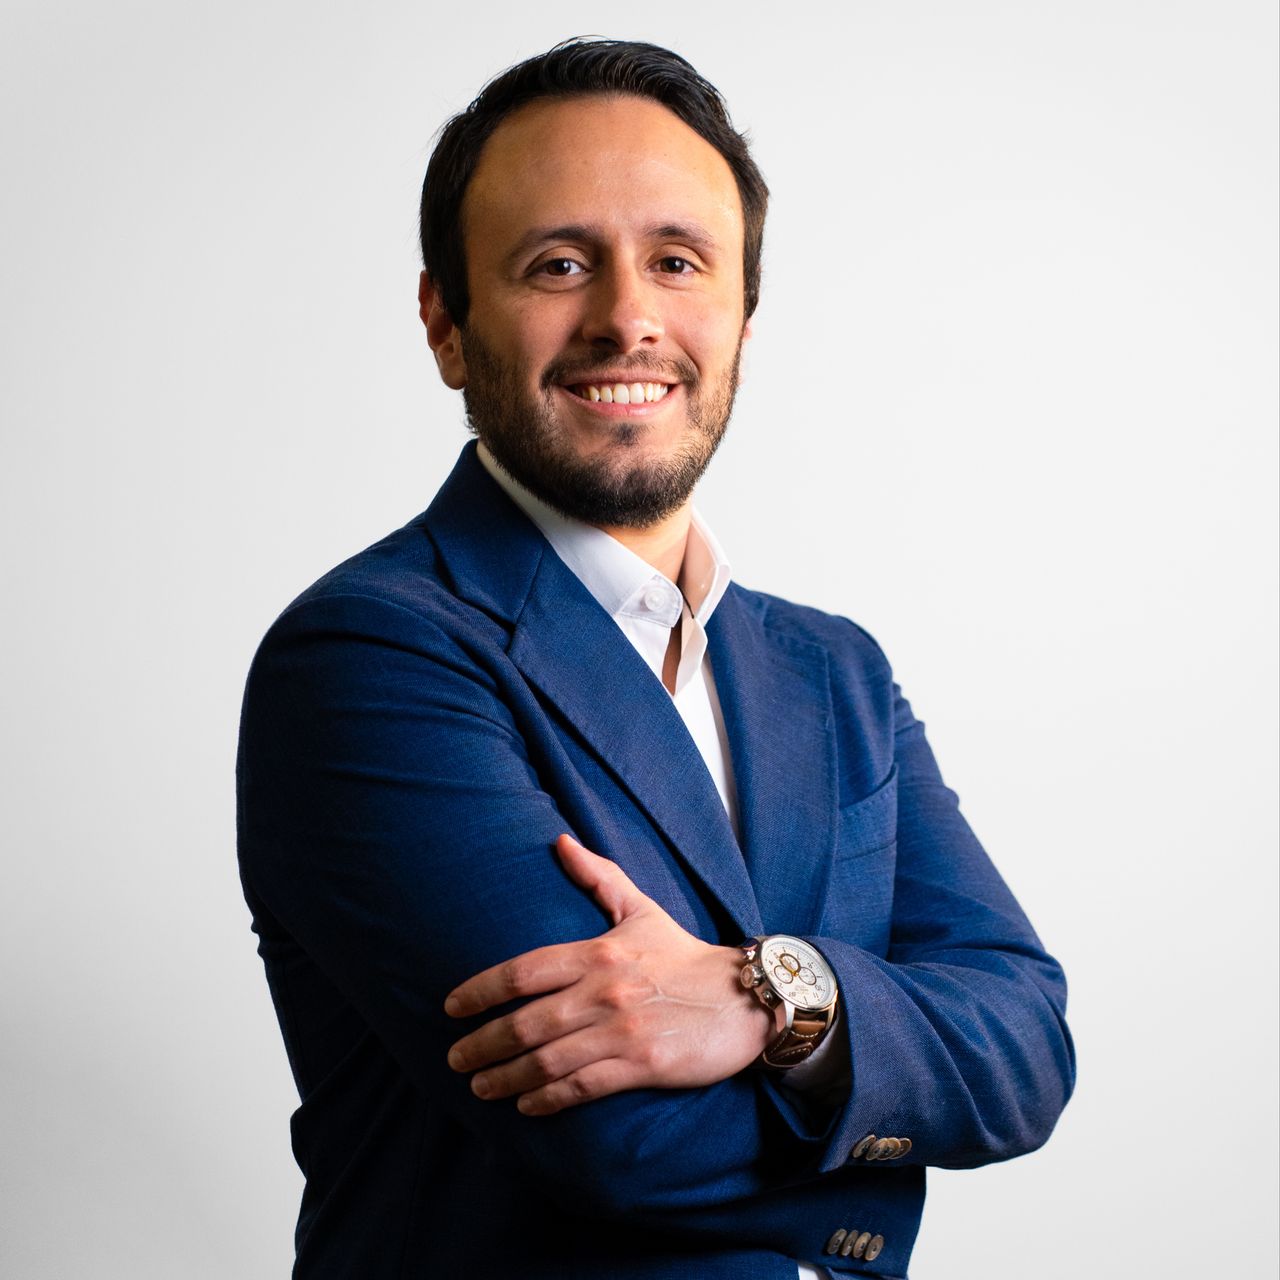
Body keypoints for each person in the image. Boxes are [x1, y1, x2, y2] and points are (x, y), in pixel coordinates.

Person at [236, 38, 1075, 1279]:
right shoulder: (369, 655)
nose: (626, 316)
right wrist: (879, 1103)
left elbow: (1026, 1046)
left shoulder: (832, 671)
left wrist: (769, 994)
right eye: (558, 263)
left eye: (677, 261)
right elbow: (616, 1135)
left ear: (740, 318)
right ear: (446, 323)